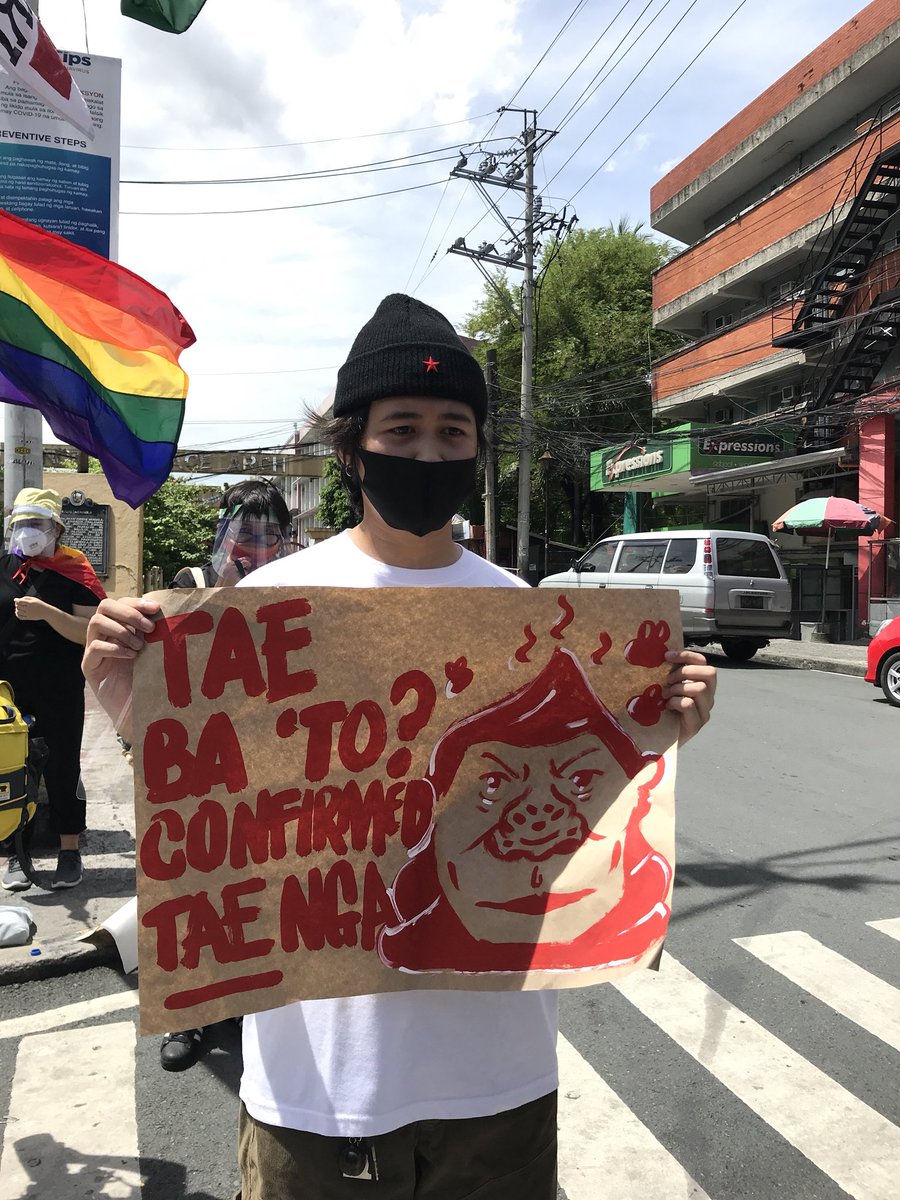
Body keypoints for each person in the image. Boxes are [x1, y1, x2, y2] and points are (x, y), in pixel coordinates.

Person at [82, 294, 716, 1199]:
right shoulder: (262, 614)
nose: (428, 453)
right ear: (352, 448)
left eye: (453, 432)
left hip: (501, 1085)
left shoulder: (534, 618)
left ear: (478, 449)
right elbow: (215, 821)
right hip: (316, 1089)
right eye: (402, 429)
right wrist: (126, 708)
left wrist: (664, 727)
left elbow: (585, 825)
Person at [160, 477, 292, 1071]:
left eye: (270, 532)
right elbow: (164, 666)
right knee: (194, 888)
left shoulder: (301, 581)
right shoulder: (190, 583)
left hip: (269, 759)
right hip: (200, 761)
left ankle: (241, 1004)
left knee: (251, 892)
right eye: (244, 528)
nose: (255, 543)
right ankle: (189, 1015)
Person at [0, 488, 105, 892]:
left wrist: (46, 612)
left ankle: (68, 851)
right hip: (9, 693)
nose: (29, 532)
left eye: (37, 524)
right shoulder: (5, 567)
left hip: (59, 686)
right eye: (22, 524)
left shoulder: (75, 571)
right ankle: (16, 850)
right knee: (11, 769)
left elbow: (89, 631)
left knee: (62, 768)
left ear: (57, 528)